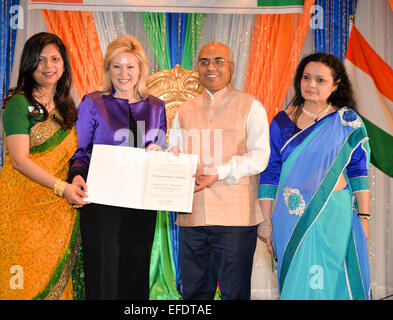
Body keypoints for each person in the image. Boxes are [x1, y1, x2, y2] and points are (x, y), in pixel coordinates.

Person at [258, 53, 371, 300]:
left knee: (334, 281)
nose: (311, 84)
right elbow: (269, 173)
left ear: (336, 84)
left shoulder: (347, 122)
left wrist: (364, 217)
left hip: (335, 216)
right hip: (292, 215)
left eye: (320, 80)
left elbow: (359, 172)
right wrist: (266, 221)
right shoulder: (282, 122)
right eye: (306, 78)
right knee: (297, 279)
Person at [168, 42, 270, 300]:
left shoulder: (251, 105)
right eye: (204, 62)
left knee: (234, 293)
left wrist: (221, 171)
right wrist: (171, 160)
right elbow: (174, 152)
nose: (210, 67)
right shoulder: (185, 110)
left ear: (231, 67)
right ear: (197, 68)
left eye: (218, 61)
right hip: (192, 218)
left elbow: (260, 156)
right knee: (193, 294)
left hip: (234, 220)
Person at [67, 35, 167, 300]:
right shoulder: (93, 103)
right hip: (101, 203)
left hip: (142, 203)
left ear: (140, 70)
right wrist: (76, 176)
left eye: (130, 66)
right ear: (108, 68)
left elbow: (161, 148)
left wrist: (160, 153)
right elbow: (81, 151)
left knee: (136, 273)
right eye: (117, 66)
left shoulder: (157, 107)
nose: (123, 73)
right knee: (103, 275)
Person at [0, 32, 89, 300]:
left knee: (57, 279)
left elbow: (74, 155)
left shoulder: (68, 106)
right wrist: (62, 188)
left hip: (58, 211)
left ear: (63, 63)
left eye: (55, 59)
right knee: (23, 283)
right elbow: (20, 160)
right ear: (30, 64)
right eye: (41, 59)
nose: (49, 66)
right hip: (20, 208)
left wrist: (77, 179)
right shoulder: (18, 103)